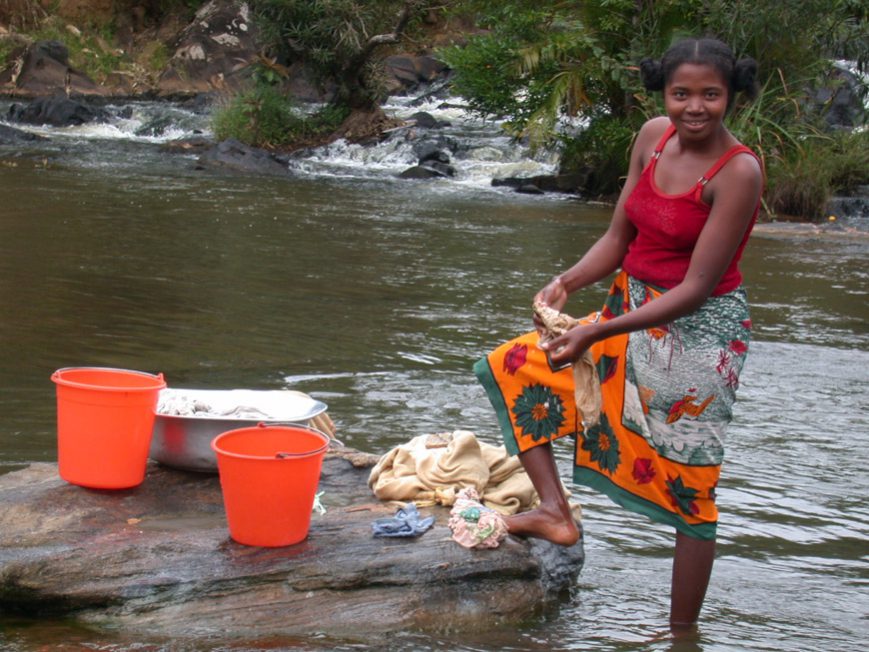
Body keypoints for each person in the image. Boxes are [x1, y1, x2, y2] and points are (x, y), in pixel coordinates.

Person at [473, 37, 763, 630]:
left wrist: (596, 330)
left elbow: (697, 288)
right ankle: (555, 512)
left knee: (690, 488)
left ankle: (682, 635)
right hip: (628, 306)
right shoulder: (653, 138)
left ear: (731, 96)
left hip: (698, 337)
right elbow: (619, 237)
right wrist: (566, 281)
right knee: (513, 366)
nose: (695, 107)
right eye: (682, 93)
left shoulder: (738, 172)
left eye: (711, 94)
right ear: (663, 92)